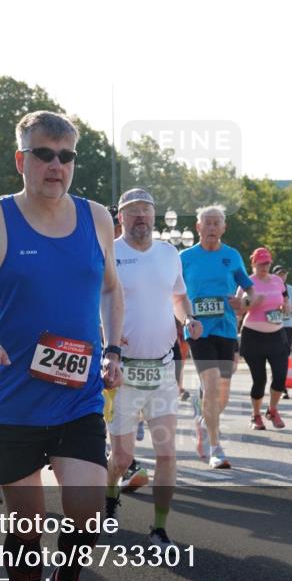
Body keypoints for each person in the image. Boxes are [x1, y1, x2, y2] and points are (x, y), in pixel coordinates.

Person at [0, 111, 123, 581]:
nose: (56, 165)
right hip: (13, 398)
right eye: (44, 154)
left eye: (66, 156)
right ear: (22, 159)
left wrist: (112, 347)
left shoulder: (96, 218)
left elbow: (112, 290)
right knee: (28, 524)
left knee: (88, 510)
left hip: (79, 396)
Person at [103, 187, 202, 549]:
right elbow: (94, 301)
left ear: (154, 215)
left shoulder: (168, 253)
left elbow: (177, 296)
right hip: (123, 371)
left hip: (161, 368)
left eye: (146, 210)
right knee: (123, 457)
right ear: (121, 218)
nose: (141, 216)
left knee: (166, 454)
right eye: (133, 211)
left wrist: (188, 318)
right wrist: (107, 340)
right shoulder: (111, 252)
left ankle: (159, 529)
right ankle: (110, 495)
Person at [180, 205, 257, 468]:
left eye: (217, 223)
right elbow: (172, 292)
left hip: (226, 329)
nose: (212, 227)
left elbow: (249, 289)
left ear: (224, 227)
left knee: (221, 394)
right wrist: (184, 318)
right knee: (211, 385)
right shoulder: (184, 258)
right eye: (207, 223)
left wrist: (244, 303)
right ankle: (216, 448)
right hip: (198, 330)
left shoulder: (232, 256)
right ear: (198, 227)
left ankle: (203, 420)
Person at [238, 248, 289, 430]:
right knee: (259, 379)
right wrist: (251, 304)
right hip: (253, 335)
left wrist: (286, 306)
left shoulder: (277, 281)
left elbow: (284, 298)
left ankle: (272, 410)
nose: (265, 266)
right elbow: (239, 309)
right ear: (254, 264)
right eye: (261, 264)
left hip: (277, 334)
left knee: (281, 376)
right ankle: (256, 415)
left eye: (267, 263)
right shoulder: (247, 282)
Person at [272, 265, 292, 398]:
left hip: (288, 324)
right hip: (273, 324)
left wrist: (290, 306)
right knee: (275, 354)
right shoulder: (270, 287)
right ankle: (277, 384)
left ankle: (281, 385)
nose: (282, 276)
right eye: (279, 274)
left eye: (284, 274)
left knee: (285, 355)